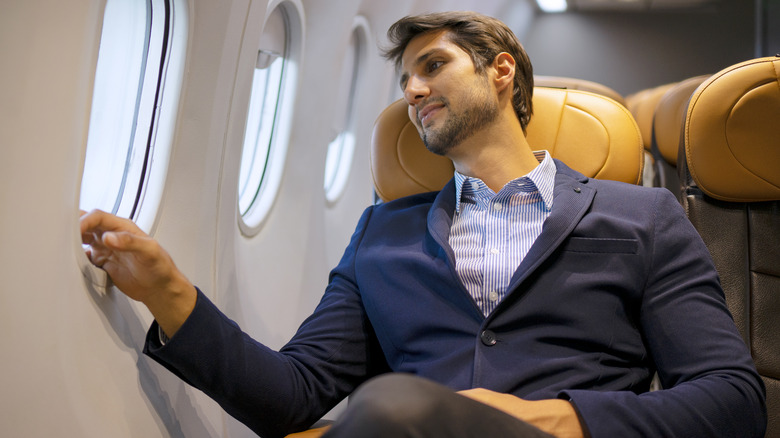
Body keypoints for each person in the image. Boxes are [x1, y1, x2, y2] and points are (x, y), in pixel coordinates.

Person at [80, 11, 766, 438]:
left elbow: (731, 399)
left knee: (391, 406)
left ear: (501, 72)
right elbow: (292, 396)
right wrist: (168, 293)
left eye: (432, 65)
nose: (411, 90)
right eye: (404, 79)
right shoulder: (383, 233)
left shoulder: (641, 217)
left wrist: (557, 419)